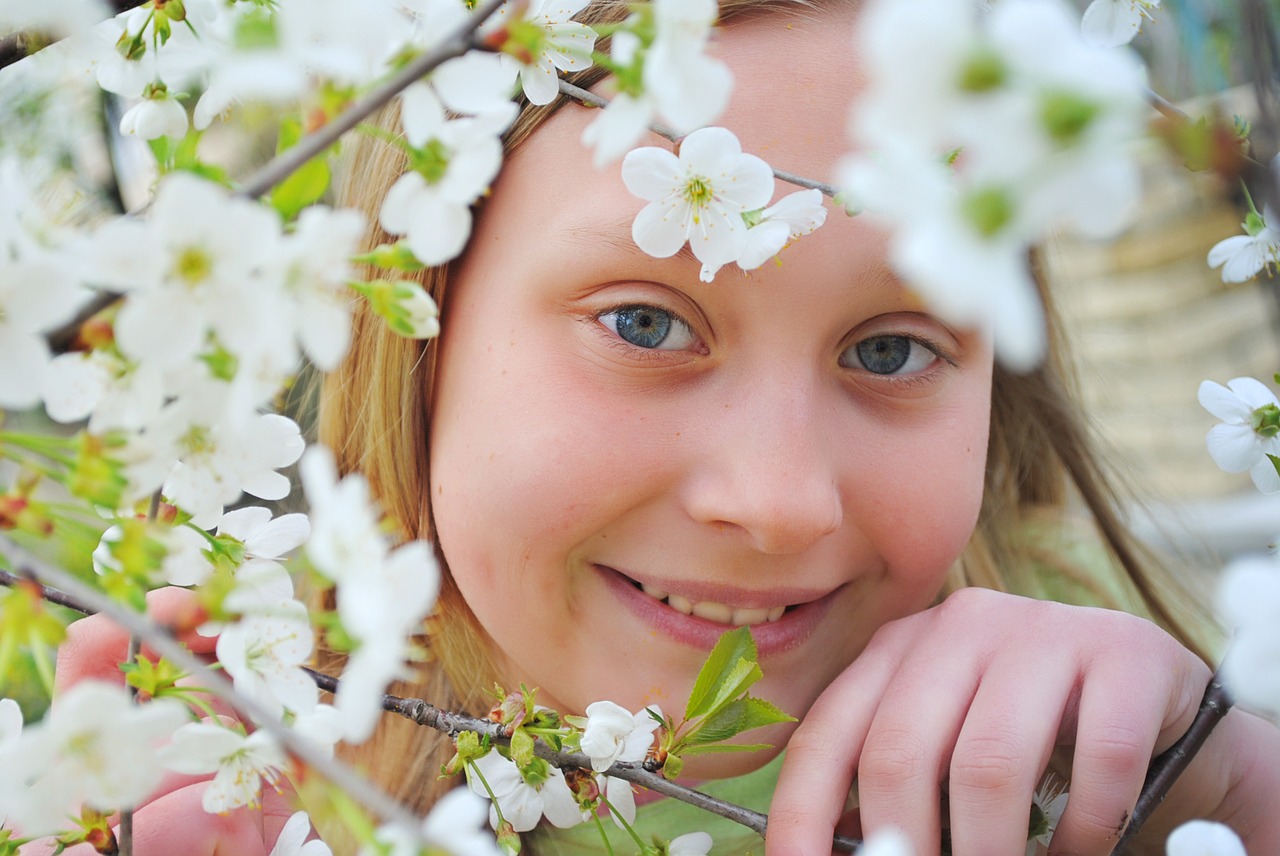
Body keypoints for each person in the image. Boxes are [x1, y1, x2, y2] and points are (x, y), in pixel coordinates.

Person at [44, 0, 1280, 854]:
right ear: (416, 326)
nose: (780, 498)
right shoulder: (247, 763)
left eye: (891, 349)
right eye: (644, 324)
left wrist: (1213, 783)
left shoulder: (1074, 750)